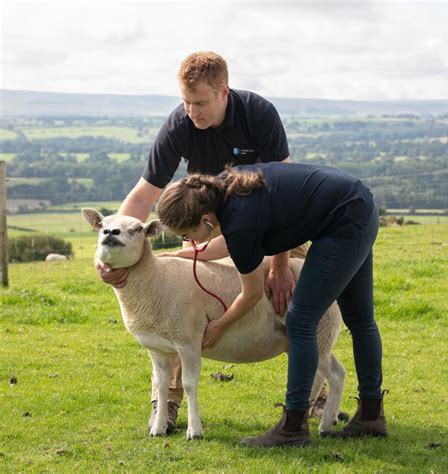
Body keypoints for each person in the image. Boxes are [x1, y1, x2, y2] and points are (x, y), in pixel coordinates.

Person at [96, 51, 315, 433]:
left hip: (274, 222)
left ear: (223, 92)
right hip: (211, 223)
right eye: (185, 102)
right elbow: (146, 193)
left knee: (300, 297)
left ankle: (316, 390)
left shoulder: (258, 114)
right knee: (178, 300)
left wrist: (279, 264)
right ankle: (166, 404)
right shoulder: (179, 125)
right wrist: (109, 253)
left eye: (199, 103)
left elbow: (284, 196)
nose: (191, 112)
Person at [156, 162, 386, 447]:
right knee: (361, 320)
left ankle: (293, 429)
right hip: (357, 203)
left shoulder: (239, 219)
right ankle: (371, 415)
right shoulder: (217, 190)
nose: (188, 240)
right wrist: (182, 254)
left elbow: (251, 295)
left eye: (186, 234)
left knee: (300, 320)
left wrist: (219, 326)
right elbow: (231, 241)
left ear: (205, 219)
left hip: (344, 222)